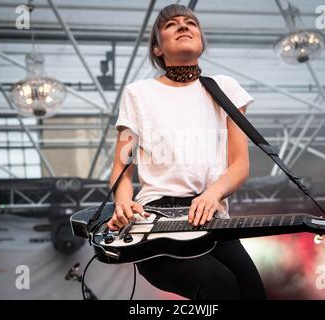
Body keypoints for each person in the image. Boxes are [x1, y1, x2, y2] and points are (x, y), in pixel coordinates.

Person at [107, 4, 266, 300]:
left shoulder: (225, 88)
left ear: (201, 40)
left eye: (190, 22)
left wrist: (211, 194)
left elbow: (239, 165)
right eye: (171, 25)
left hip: (211, 214)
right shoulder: (137, 93)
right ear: (157, 48)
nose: (183, 26)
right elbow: (122, 168)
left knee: (253, 294)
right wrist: (123, 203)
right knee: (218, 285)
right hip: (153, 219)